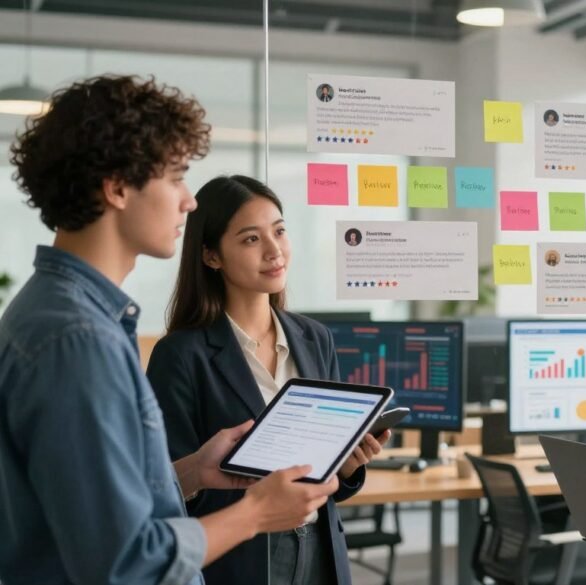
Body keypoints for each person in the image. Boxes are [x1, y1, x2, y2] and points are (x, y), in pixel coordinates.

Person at [0, 75, 337, 585]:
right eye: (175, 176)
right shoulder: (77, 340)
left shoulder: (67, 316)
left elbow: (91, 509)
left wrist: (192, 472)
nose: (189, 201)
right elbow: (121, 561)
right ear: (116, 188)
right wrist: (254, 514)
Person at [147, 175, 385, 585]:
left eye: (279, 231)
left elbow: (325, 482)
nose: (274, 251)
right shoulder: (181, 356)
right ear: (211, 256)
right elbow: (169, 491)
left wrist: (346, 467)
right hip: (239, 560)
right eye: (251, 239)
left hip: (320, 552)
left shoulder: (315, 338)